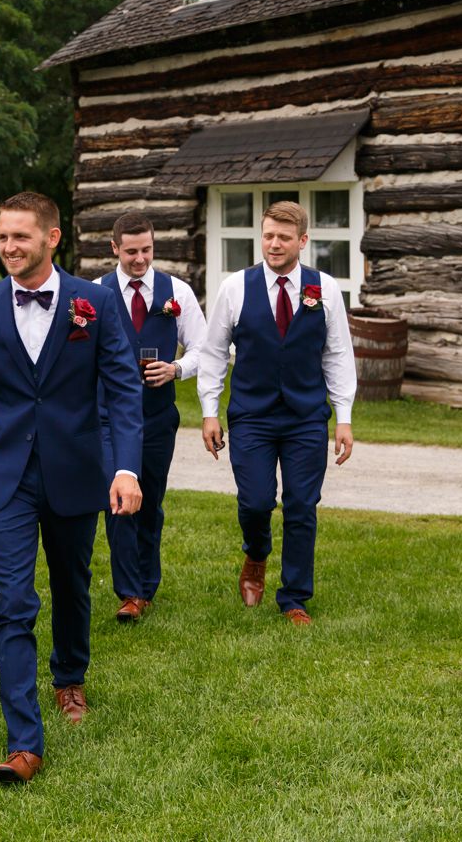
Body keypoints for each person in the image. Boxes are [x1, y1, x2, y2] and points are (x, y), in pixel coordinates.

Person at [0, 192, 144, 786]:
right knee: (13, 603)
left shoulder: (96, 303)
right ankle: (23, 743)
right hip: (3, 475)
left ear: (52, 238)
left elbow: (122, 389)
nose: (9, 247)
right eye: (3, 237)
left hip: (76, 469)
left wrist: (126, 468)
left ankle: (70, 678)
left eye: (20, 237)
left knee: (72, 583)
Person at [197, 202, 356, 623]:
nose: (273, 243)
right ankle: (256, 553)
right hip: (252, 415)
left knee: (302, 505)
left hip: (305, 416)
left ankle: (295, 598)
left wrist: (344, 417)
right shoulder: (235, 288)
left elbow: (338, 354)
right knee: (255, 501)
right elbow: (213, 353)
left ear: (302, 241)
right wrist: (210, 412)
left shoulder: (325, 289)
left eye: (284, 237)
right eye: (268, 235)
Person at [98, 209, 206, 623]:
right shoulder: (96, 293)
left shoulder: (176, 291)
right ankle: (129, 592)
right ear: (115, 249)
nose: (140, 259)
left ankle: (147, 584)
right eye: (131, 252)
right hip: (108, 417)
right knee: (119, 501)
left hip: (159, 416)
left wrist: (176, 369)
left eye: (146, 250)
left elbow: (202, 349)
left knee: (151, 502)